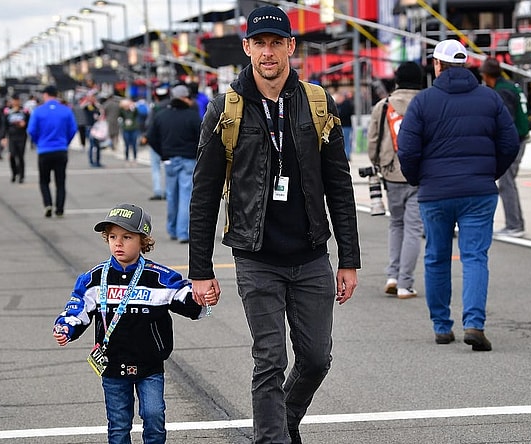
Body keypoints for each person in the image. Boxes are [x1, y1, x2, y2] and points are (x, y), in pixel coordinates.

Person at [188, 6, 360, 443]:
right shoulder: (225, 110)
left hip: (310, 256)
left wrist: (349, 259)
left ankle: (283, 423)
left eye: (276, 42)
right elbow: (204, 195)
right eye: (259, 43)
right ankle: (273, 439)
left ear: (290, 47)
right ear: (247, 48)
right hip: (255, 256)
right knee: (269, 359)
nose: (268, 52)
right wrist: (201, 270)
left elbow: (339, 185)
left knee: (317, 358)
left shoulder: (318, 103)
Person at [52, 203, 218, 444]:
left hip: (149, 365)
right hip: (111, 364)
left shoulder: (160, 277)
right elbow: (78, 306)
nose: (118, 243)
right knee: (118, 424)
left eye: (127, 237)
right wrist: (65, 327)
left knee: (154, 416)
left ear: (143, 240)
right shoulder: (95, 279)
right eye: (112, 237)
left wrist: (204, 297)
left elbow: (186, 297)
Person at [397, 39, 519, 351]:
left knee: (436, 257)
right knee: (475, 256)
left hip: (435, 192)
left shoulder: (423, 102)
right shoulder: (489, 99)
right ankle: (474, 323)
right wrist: (488, 173)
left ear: (437, 65)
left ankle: (441, 326)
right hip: (478, 191)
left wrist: (418, 179)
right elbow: (509, 143)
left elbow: (407, 150)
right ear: (464, 64)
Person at [367, 61, 425, 300]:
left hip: (391, 174)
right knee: (414, 228)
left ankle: (392, 275)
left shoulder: (383, 106)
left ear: (397, 80)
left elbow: (373, 142)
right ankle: (405, 282)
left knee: (396, 224)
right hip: (421, 175)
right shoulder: (427, 104)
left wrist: (378, 164)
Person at [479, 57, 531, 238]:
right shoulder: (511, 86)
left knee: (506, 183)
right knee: (508, 182)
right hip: (521, 137)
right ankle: (517, 223)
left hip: (513, 141)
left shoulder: (502, 91)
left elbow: (506, 122)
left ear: (486, 75)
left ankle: (514, 225)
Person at [145, 84, 201, 244]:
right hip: (189, 159)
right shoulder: (192, 116)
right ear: (185, 98)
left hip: (169, 159)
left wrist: (163, 152)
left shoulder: (162, 115)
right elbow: (202, 137)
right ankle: (183, 232)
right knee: (185, 195)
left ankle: (172, 228)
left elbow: (151, 136)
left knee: (171, 194)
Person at [27, 85, 77, 218]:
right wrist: (65, 142)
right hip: (61, 149)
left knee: (44, 180)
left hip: (44, 150)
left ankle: (48, 204)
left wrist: (39, 142)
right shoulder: (66, 111)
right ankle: (60, 208)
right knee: (60, 181)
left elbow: (31, 130)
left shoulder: (38, 111)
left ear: (45, 95)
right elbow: (73, 129)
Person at [142, 86, 170, 201]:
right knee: (169, 167)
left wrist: (146, 137)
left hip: (155, 141)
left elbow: (149, 124)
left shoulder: (155, 108)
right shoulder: (172, 107)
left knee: (155, 167)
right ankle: (169, 191)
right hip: (169, 141)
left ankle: (158, 191)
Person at [1, 96, 29, 184]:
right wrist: (3, 137)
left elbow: (30, 122)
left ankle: (21, 175)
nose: (15, 102)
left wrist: (25, 124)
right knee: (12, 155)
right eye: (14, 100)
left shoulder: (24, 111)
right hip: (12, 136)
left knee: (20, 156)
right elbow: (4, 125)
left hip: (22, 136)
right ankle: (14, 173)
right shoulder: (7, 111)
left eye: (17, 100)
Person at [120, 99, 141, 165]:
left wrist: (132, 106)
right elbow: (120, 114)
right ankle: (127, 158)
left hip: (133, 128)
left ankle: (135, 158)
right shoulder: (122, 111)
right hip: (126, 129)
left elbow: (137, 113)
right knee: (126, 145)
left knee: (134, 144)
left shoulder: (133, 110)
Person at [335, 90, 355, 160]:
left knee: (346, 141)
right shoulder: (336, 105)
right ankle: (343, 155)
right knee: (342, 142)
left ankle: (347, 155)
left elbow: (345, 113)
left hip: (346, 126)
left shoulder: (347, 104)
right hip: (340, 126)